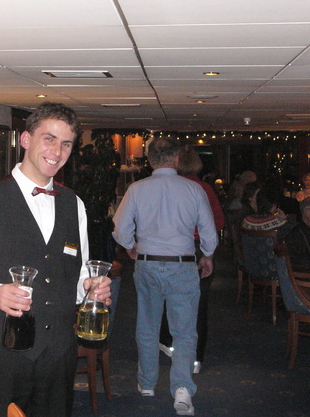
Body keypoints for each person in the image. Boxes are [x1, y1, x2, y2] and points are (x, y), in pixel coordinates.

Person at [0, 102, 112, 417]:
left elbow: (74, 275)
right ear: (26, 139)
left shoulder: (74, 204)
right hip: (1, 354)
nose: (57, 151)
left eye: (66, 143)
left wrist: (89, 287)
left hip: (58, 353)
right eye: (49, 139)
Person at [112, 138, 218, 416]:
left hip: (147, 263)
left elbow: (120, 228)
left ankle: (147, 383)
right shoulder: (193, 189)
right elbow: (209, 233)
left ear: (149, 160)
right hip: (182, 265)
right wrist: (207, 255)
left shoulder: (136, 189)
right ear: (176, 159)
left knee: (147, 324)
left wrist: (130, 245)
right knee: (184, 330)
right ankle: (182, 388)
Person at [159, 146, 224, 375]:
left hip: (171, 248)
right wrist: (209, 253)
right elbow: (218, 222)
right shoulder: (204, 188)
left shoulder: (167, 187)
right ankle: (196, 357)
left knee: (168, 297)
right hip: (198, 248)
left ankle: (169, 342)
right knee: (198, 303)